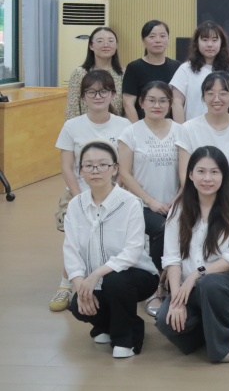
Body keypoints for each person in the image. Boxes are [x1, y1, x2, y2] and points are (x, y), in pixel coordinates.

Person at [155, 146, 229, 363]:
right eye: (201, 171)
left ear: (224, 176)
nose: (207, 178)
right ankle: (209, 330)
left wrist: (197, 274)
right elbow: (172, 258)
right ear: (190, 175)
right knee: (165, 321)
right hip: (189, 285)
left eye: (214, 172)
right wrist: (176, 297)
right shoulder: (178, 209)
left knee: (210, 284)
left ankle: (226, 343)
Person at [63, 141, 159, 358]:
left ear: (115, 169)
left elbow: (133, 251)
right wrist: (80, 286)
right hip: (97, 280)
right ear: (81, 171)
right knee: (78, 307)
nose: (95, 170)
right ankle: (111, 324)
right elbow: (70, 251)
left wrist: (96, 274)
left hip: (136, 276)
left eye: (102, 165)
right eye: (88, 165)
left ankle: (126, 339)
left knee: (115, 282)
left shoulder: (130, 203)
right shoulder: (75, 205)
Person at [51, 69, 131, 312]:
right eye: (92, 92)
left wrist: (116, 194)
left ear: (113, 95)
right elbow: (66, 167)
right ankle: (66, 285)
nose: (98, 96)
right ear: (84, 96)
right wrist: (80, 198)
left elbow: (126, 166)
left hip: (114, 193)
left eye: (103, 91)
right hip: (79, 192)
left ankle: (108, 282)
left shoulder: (124, 125)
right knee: (75, 239)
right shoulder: (72, 126)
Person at [117, 81, 182, 316]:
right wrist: (150, 201)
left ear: (170, 104)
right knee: (162, 229)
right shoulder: (130, 133)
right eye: (151, 100)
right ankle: (157, 286)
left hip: (177, 202)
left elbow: (188, 173)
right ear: (142, 103)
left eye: (163, 100)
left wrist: (177, 199)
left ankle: (178, 283)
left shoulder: (181, 131)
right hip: (139, 204)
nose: (157, 105)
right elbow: (125, 173)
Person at [175, 72, 229, 195]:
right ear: (203, 97)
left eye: (223, 93)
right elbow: (184, 175)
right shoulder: (188, 129)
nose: (216, 99)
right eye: (210, 94)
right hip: (199, 194)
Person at [169, 20, 229, 123]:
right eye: (205, 40)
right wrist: (181, 129)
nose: (209, 44)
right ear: (197, 42)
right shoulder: (186, 69)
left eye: (214, 40)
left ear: (221, 42)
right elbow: (176, 102)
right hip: (194, 129)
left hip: (226, 128)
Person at [122, 20, 182, 122]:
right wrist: (137, 128)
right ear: (143, 41)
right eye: (152, 36)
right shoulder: (134, 67)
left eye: (162, 36)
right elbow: (128, 103)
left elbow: (178, 102)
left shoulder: (177, 67)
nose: (158, 40)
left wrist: (178, 128)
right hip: (143, 123)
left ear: (168, 39)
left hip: (170, 125)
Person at [65, 26, 124, 119]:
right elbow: (72, 109)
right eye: (100, 41)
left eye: (111, 41)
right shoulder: (79, 73)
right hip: (85, 126)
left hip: (116, 126)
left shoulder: (123, 74)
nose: (106, 44)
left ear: (116, 45)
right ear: (91, 46)